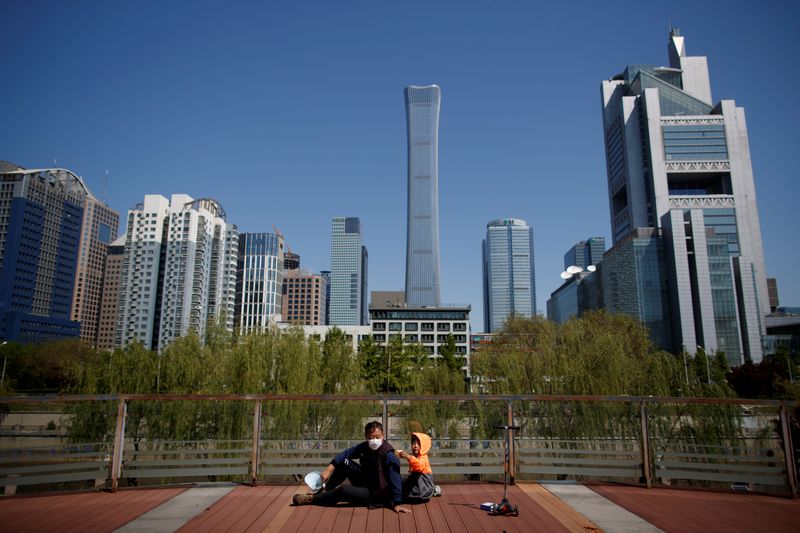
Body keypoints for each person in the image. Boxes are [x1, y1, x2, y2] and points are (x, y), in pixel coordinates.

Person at [292, 421, 410, 513]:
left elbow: (395, 479)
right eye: (370, 437)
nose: (374, 440)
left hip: (377, 492)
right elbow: (345, 454)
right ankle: (326, 491)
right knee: (344, 462)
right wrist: (329, 469)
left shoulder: (389, 455)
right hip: (366, 480)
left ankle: (312, 499)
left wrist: (397, 503)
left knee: (343, 490)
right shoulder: (365, 447)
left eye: (377, 437)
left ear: (383, 435)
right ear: (365, 437)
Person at [397, 432, 436, 502]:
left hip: (422, 491)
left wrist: (408, 457)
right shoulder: (417, 457)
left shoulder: (423, 458)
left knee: (399, 488)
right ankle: (434, 489)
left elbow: (419, 466)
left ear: (423, 446)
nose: (415, 446)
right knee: (400, 480)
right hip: (420, 487)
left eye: (418, 444)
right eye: (413, 443)